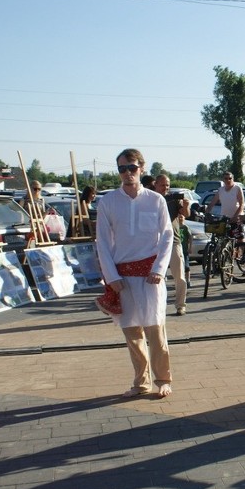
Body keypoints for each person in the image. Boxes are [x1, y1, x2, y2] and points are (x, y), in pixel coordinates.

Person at [95, 148, 174, 399]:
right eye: (122, 169)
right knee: (132, 333)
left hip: (151, 276)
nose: (127, 173)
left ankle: (163, 379)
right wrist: (111, 277)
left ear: (141, 168)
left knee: (156, 330)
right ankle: (141, 382)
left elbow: (167, 238)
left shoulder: (155, 200)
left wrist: (159, 270)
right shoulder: (108, 202)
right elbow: (103, 242)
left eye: (132, 168)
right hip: (123, 277)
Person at [153, 174, 189, 315]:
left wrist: (186, 206)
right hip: (155, 243)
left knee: (179, 276)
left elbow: (186, 213)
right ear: (155, 185)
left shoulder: (174, 199)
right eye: (162, 185)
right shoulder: (151, 199)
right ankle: (156, 306)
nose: (165, 187)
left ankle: (181, 305)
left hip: (174, 241)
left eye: (167, 185)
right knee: (155, 276)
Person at [178, 214, 192, 288]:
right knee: (179, 266)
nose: (180, 218)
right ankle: (180, 281)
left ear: (184, 218)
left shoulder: (186, 227)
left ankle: (188, 280)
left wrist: (190, 247)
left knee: (186, 266)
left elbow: (190, 238)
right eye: (179, 216)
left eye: (182, 217)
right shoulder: (175, 227)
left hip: (184, 250)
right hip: (177, 249)